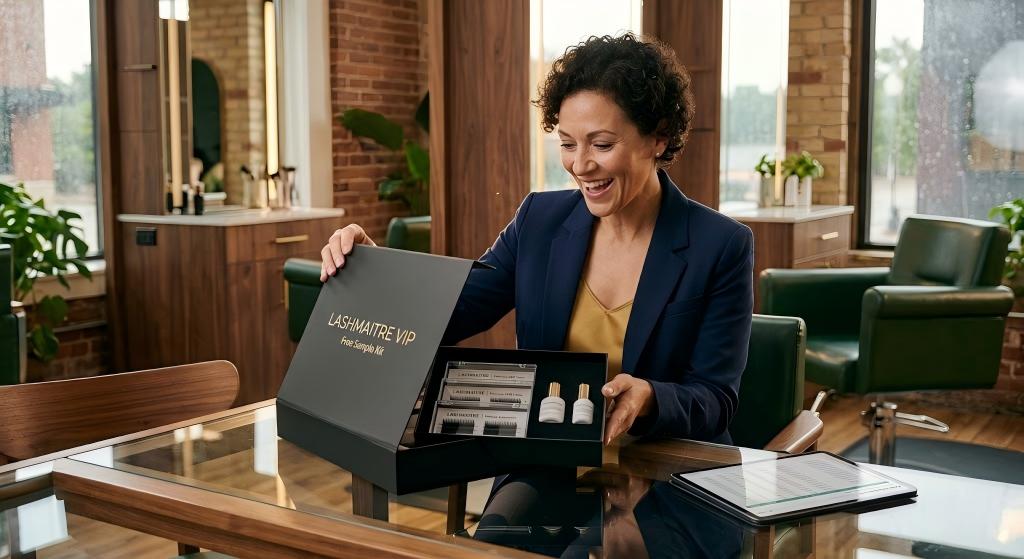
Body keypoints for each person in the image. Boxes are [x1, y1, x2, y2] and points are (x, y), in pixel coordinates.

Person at [320, 33, 753, 446]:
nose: (580, 165)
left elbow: (716, 398)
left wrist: (652, 398)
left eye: (602, 145)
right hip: (545, 464)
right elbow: (454, 310)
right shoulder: (538, 221)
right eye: (567, 144)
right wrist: (377, 271)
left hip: (662, 466)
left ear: (658, 136)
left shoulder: (721, 245)